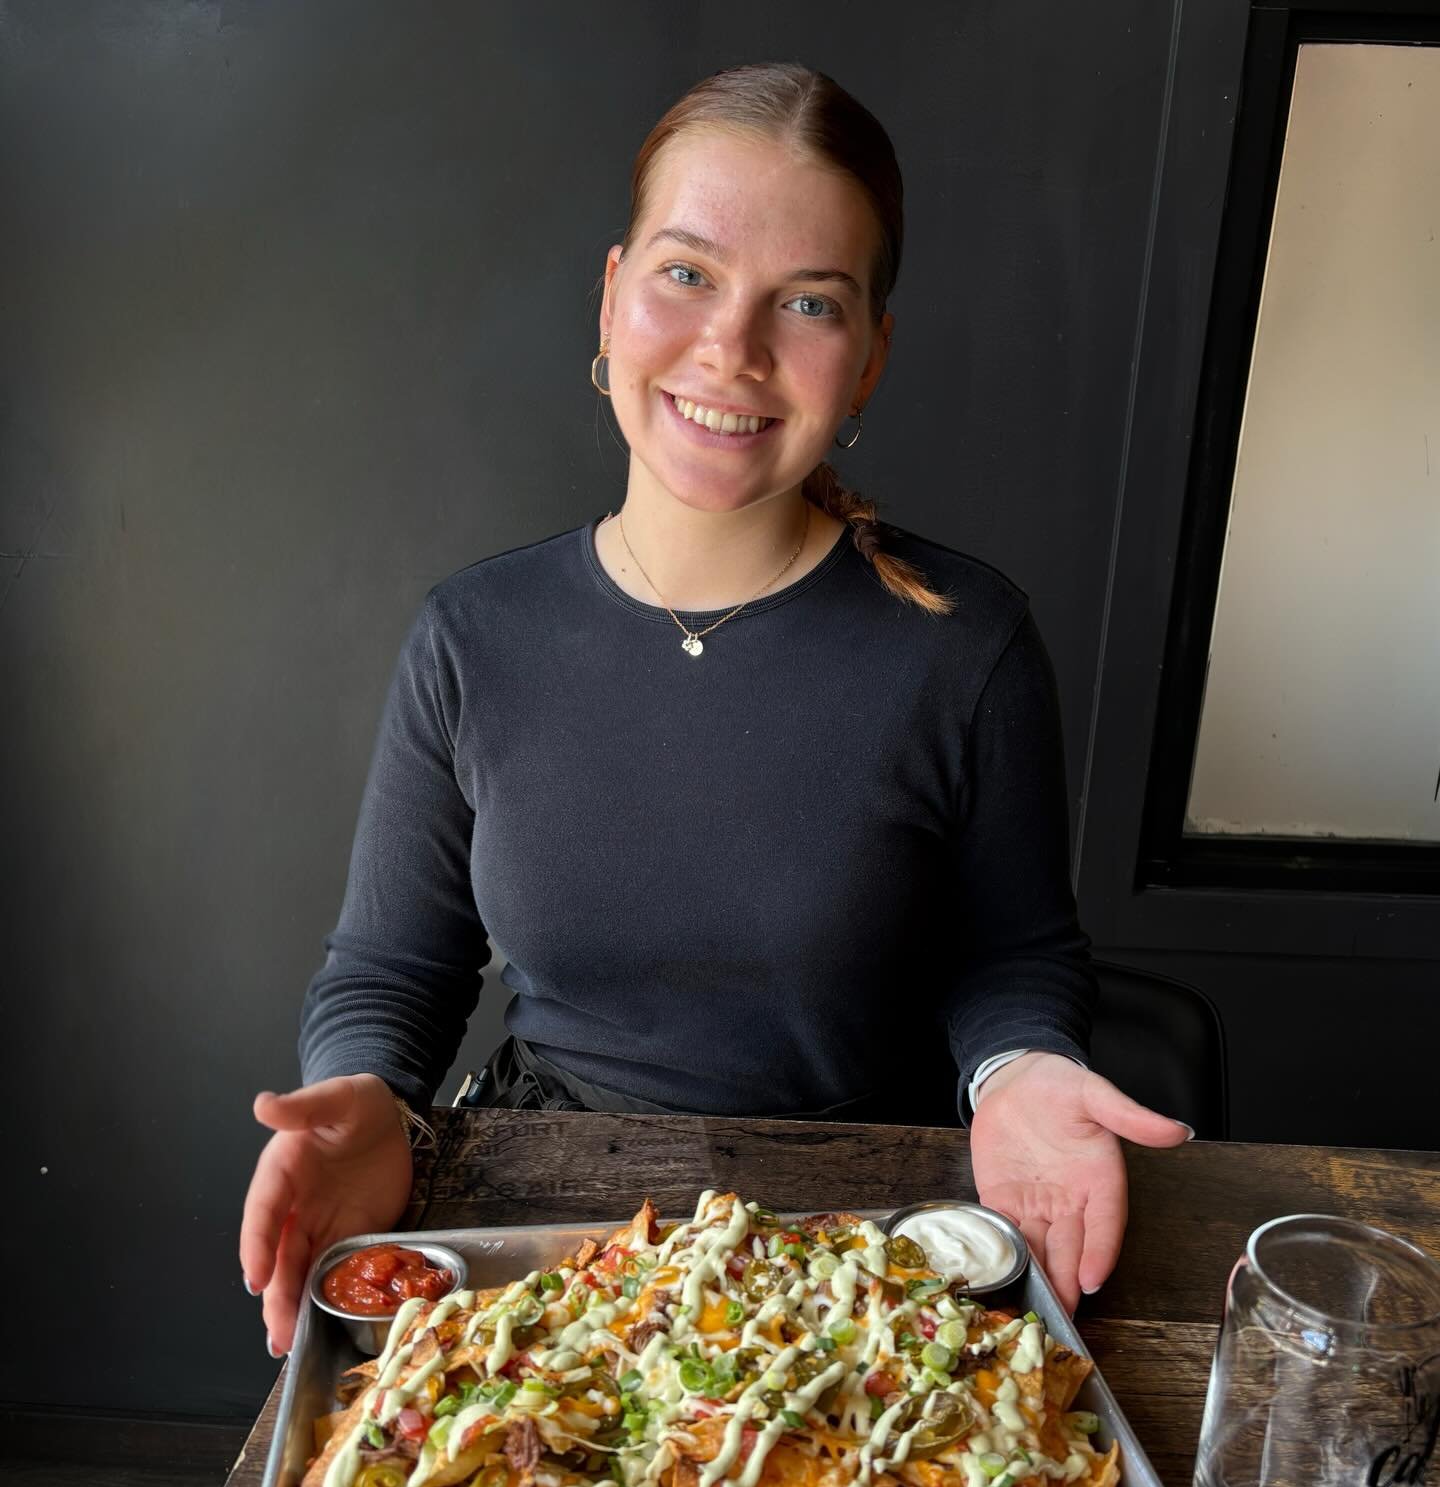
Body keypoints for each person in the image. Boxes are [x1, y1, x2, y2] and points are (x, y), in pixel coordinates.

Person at [239, 63, 1192, 1356]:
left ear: (868, 361)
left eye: (807, 302)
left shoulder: (967, 647)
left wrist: (1019, 1074)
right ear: (615, 292)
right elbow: (395, 971)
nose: (731, 349)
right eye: (687, 274)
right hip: (544, 1217)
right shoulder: (471, 638)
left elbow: (1013, 953)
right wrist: (364, 1091)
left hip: (861, 1231)